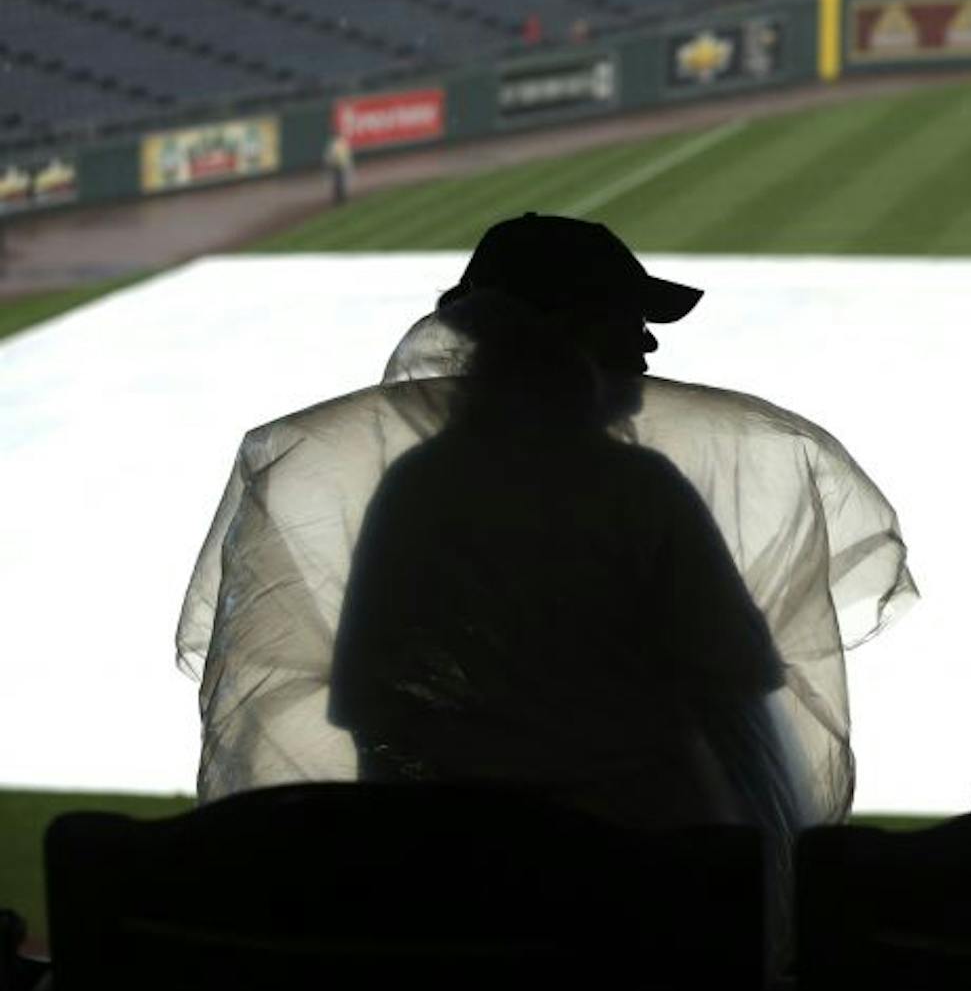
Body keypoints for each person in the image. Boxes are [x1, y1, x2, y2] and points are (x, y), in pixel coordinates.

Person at [179, 215, 914, 834]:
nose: (647, 348)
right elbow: (743, 689)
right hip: (618, 920)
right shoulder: (634, 488)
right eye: (628, 321)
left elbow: (374, 714)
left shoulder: (416, 487)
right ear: (568, 336)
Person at [322, 129, 354, 205]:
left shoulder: (335, 144)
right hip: (339, 165)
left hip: (338, 165)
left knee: (339, 183)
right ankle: (340, 198)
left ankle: (340, 198)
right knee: (339, 183)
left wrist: (328, 163)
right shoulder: (340, 143)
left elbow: (330, 156)